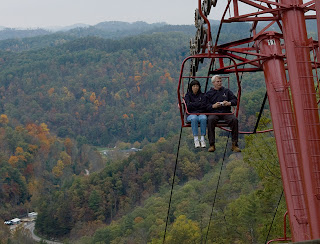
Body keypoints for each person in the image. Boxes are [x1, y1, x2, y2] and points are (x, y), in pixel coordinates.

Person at [205, 75, 241, 152]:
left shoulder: (226, 91)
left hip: (226, 112)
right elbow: (205, 106)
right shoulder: (209, 94)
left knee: (234, 120)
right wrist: (213, 106)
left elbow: (235, 100)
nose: (219, 83)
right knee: (210, 120)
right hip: (214, 113)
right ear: (213, 83)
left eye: (220, 81)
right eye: (218, 81)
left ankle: (234, 144)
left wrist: (229, 103)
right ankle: (212, 144)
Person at [184, 79, 207, 148]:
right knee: (194, 118)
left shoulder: (202, 95)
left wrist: (193, 104)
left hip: (200, 113)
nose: (195, 87)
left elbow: (204, 105)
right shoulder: (188, 95)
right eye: (194, 86)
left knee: (204, 118)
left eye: (197, 86)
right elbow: (188, 106)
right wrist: (198, 104)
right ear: (191, 87)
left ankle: (202, 138)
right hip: (191, 114)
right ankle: (196, 139)